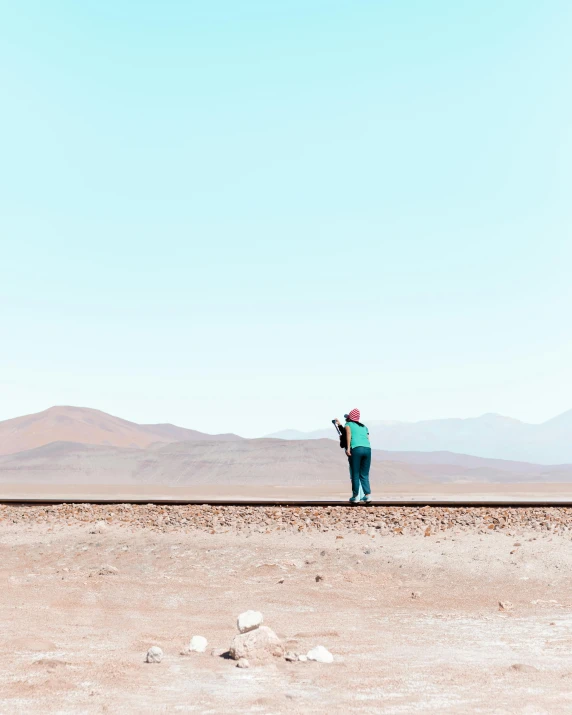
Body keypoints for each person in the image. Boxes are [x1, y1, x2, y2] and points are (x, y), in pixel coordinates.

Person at [335, 408, 372, 503]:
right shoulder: (364, 427)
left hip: (356, 448)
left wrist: (348, 448)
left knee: (355, 473)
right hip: (367, 449)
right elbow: (367, 439)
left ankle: (355, 497)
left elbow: (348, 434)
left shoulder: (348, 425)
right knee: (364, 474)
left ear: (350, 418)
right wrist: (339, 425)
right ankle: (367, 495)